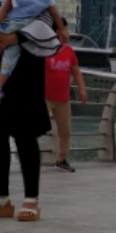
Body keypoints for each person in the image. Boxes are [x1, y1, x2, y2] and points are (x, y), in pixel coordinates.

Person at [0, 0, 61, 223]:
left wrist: (14, 38)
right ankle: (1, 197)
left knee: (25, 133)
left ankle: (31, 199)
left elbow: (46, 22)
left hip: (26, 68)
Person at [45, 32, 87, 172]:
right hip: (45, 97)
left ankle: (62, 159)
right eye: (65, 31)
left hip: (63, 98)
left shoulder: (69, 51)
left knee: (65, 130)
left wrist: (82, 89)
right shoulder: (45, 49)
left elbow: (76, 71)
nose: (68, 34)